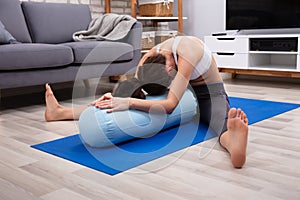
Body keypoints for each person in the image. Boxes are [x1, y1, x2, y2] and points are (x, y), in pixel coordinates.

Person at [45, 36, 248, 168]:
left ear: (169, 69)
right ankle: (60, 112)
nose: (171, 72)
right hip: (180, 90)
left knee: (219, 120)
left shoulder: (187, 53)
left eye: (170, 73)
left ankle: (232, 140)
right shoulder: (149, 57)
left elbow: (169, 106)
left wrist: (130, 103)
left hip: (207, 92)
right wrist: (117, 98)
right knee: (118, 101)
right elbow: (131, 85)